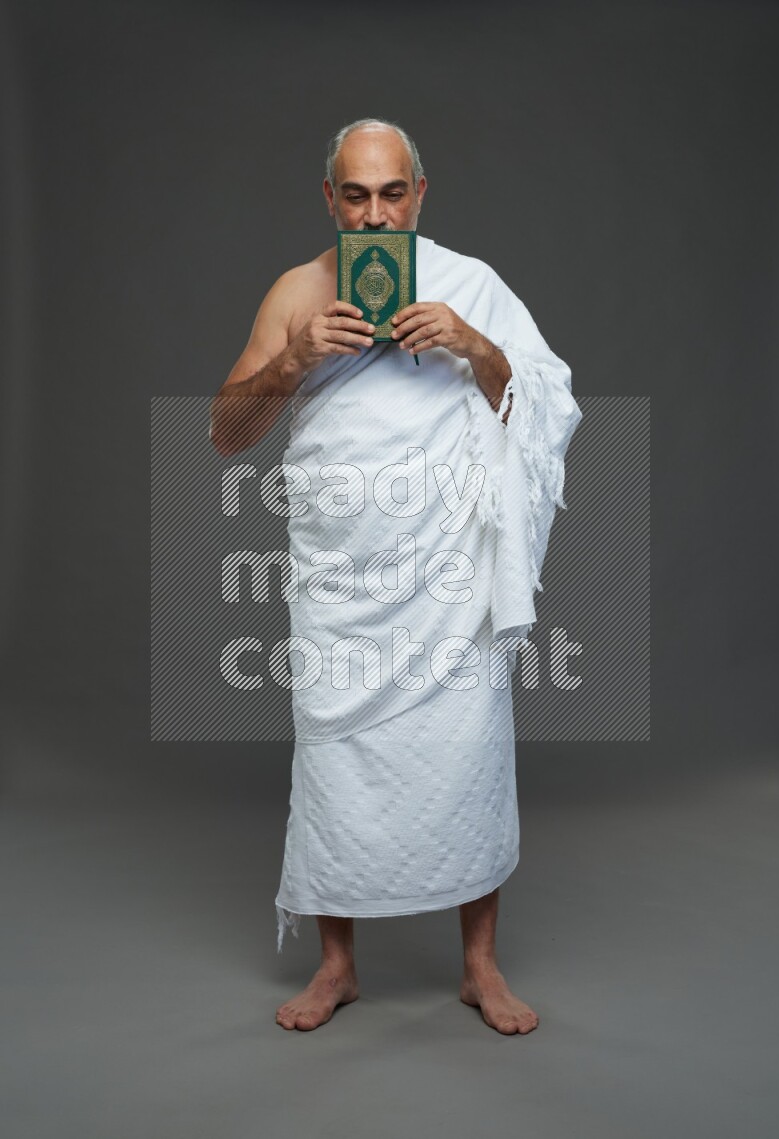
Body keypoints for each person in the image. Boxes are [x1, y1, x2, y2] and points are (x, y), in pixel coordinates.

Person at [209, 118, 582, 1035]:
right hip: (341, 574)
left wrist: (471, 344)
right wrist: (296, 360)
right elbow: (226, 430)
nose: (374, 216)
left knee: (469, 751)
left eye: (391, 194)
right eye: (354, 195)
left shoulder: (473, 286)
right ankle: (336, 966)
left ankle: (480, 968)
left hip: (448, 578)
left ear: (419, 194)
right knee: (335, 756)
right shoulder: (298, 290)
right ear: (329, 198)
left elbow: (539, 403)